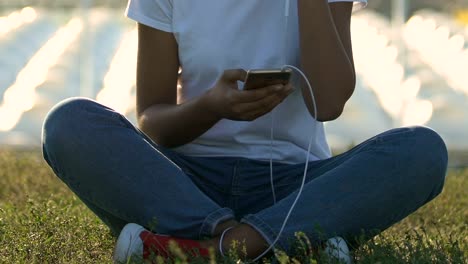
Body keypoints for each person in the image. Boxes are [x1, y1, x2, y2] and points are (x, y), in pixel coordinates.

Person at [41, 0, 448, 263]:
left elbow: (328, 104)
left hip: (293, 184)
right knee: (69, 122)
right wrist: (211, 107)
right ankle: (282, 242)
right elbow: (153, 119)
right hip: (185, 184)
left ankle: (203, 249)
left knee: (423, 150)